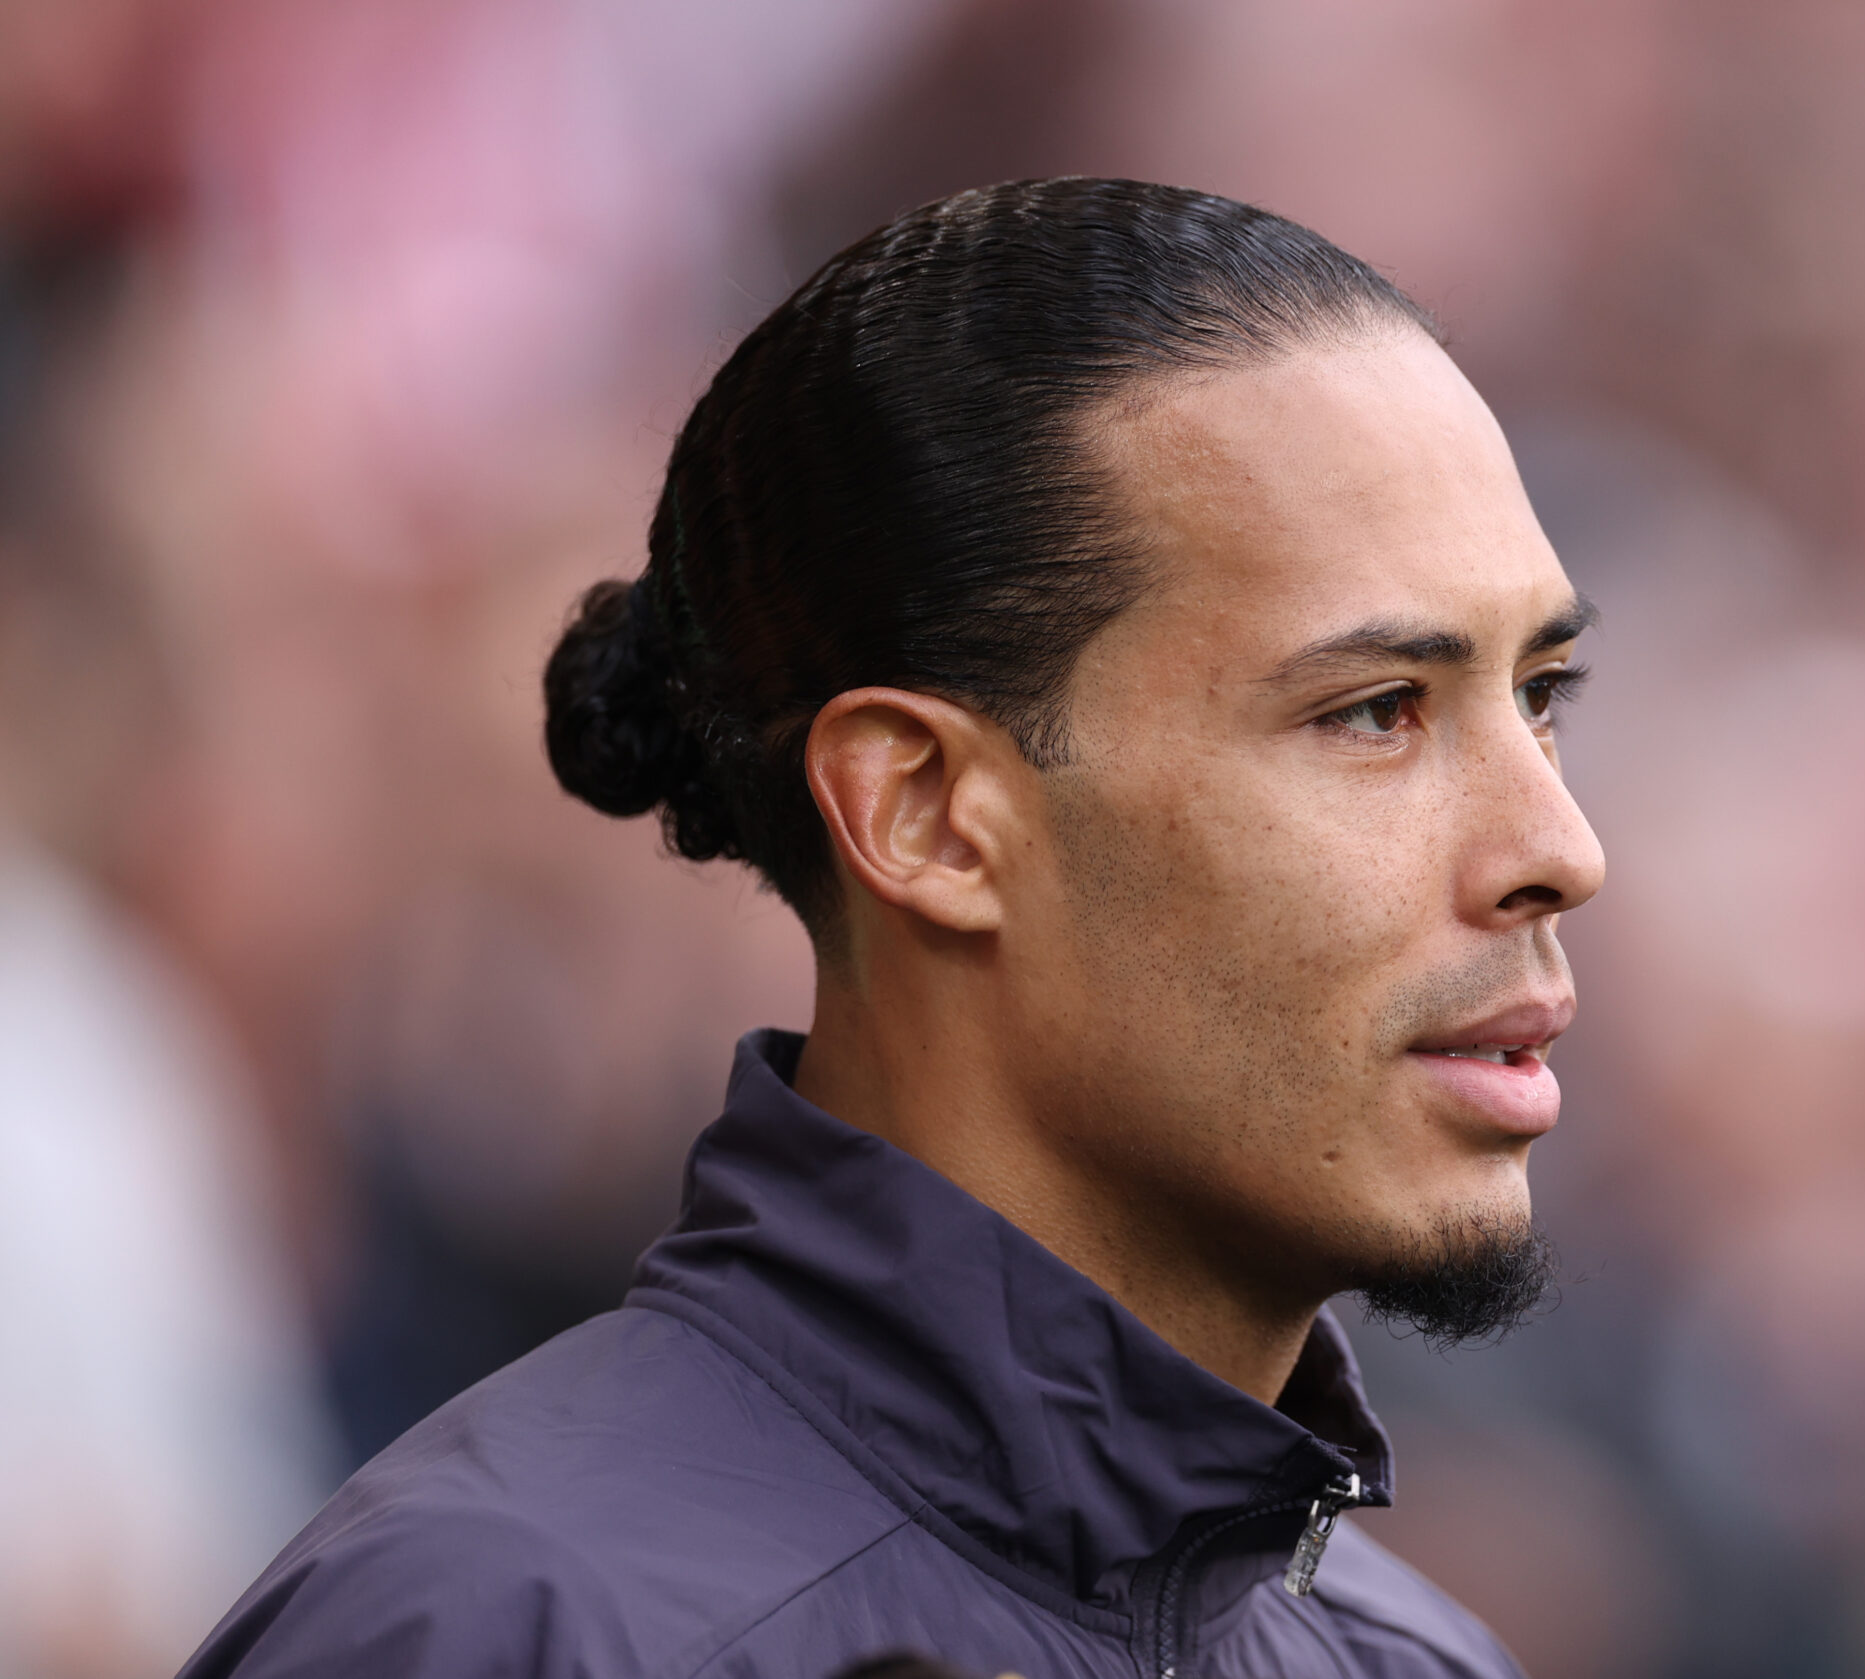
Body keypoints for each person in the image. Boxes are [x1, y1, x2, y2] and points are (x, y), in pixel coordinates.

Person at [180, 177, 1603, 1679]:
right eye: (1374, 712)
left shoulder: (1421, 1661)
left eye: (1540, 696)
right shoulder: (502, 1632)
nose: (1558, 850)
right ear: (923, 813)